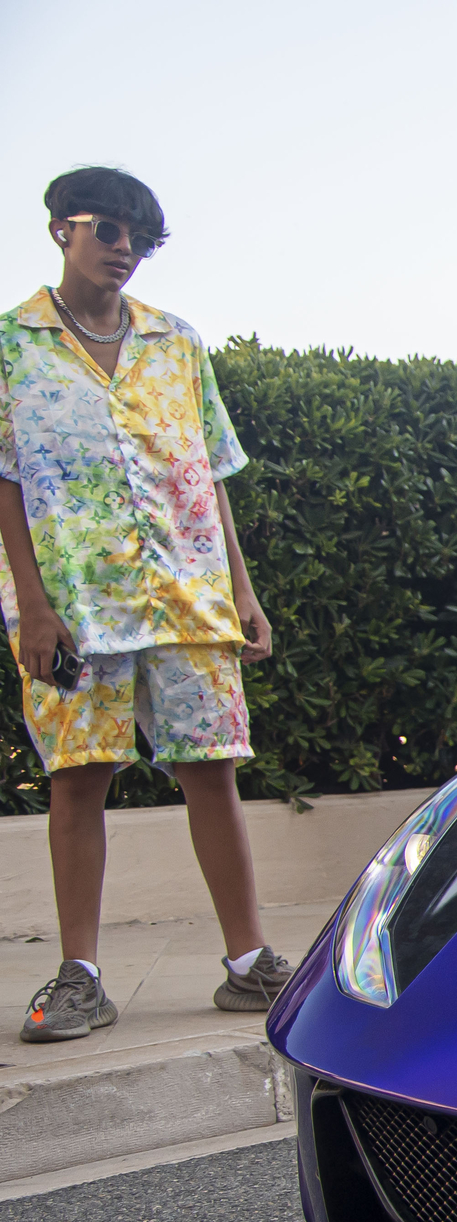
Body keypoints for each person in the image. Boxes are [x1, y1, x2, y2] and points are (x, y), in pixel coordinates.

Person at [1, 167, 290, 1039]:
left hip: (188, 593)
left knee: (212, 769)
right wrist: (32, 604)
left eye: (141, 239)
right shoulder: (13, 347)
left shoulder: (178, 342)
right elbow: (5, 482)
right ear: (62, 229)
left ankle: (248, 961)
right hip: (76, 602)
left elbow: (210, 472)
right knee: (78, 777)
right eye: (110, 231)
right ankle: (80, 973)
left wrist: (242, 589)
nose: (125, 251)